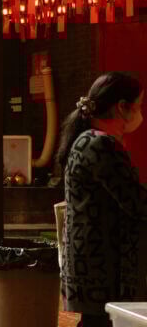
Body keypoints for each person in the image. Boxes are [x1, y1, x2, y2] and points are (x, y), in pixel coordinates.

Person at [58, 72, 147, 327]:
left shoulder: (87, 140)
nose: (140, 113)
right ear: (121, 107)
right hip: (102, 266)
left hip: (91, 265)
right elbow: (135, 202)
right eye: (138, 105)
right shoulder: (100, 144)